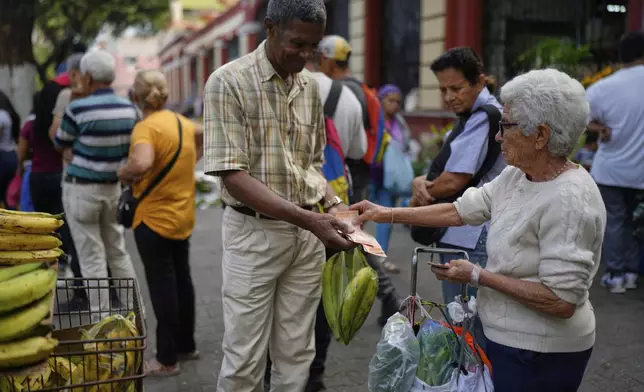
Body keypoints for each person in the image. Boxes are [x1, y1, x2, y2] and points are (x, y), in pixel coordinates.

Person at [352, 68, 605, 392]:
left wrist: (477, 276)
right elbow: (459, 210)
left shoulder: (570, 199)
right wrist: (383, 212)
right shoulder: (518, 175)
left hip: (542, 351)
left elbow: (561, 301)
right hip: (504, 340)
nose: (498, 136)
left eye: (506, 126)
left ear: (540, 135)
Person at [203, 1, 355, 391]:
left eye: (313, 47)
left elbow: (310, 165)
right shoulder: (228, 81)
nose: (306, 56)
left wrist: (335, 206)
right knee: (244, 359)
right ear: (270, 28)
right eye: (297, 44)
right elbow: (233, 175)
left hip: (307, 237)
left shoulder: (309, 88)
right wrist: (310, 219)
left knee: (296, 354)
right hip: (254, 235)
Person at [409, 48, 505, 348]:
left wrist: (421, 196)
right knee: (467, 321)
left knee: (465, 323)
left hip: (471, 234)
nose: (449, 96)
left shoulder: (483, 116)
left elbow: (456, 178)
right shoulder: (474, 115)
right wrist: (421, 181)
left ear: (478, 82)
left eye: (456, 88)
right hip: (468, 231)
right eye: (443, 90)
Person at [118, 70, 203, 377]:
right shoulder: (183, 122)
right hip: (183, 215)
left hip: (153, 219)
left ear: (137, 98)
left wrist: (122, 173)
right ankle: (186, 345)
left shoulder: (145, 127)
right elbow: (202, 136)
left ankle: (166, 359)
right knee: (183, 280)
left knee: (162, 286)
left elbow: (141, 163)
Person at [54, 50, 138, 320]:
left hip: (81, 191)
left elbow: (60, 143)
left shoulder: (76, 108)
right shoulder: (130, 109)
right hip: (113, 190)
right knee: (118, 253)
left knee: (92, 259)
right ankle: (135, 318)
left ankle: (102, 325)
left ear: (88, 77)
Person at [586, 31, 644, 293]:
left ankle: (615, 275)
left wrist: (600, 128)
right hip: (641, 172)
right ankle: (633, 272)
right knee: (635, 222)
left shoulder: (602, 87)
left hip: (610, 170)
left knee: (616, 221)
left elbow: (578, 117)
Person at [0, 90, 20, 209]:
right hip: (10, 156)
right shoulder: (7, 114)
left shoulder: (1, 115)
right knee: (7, 196)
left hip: (2, 158)